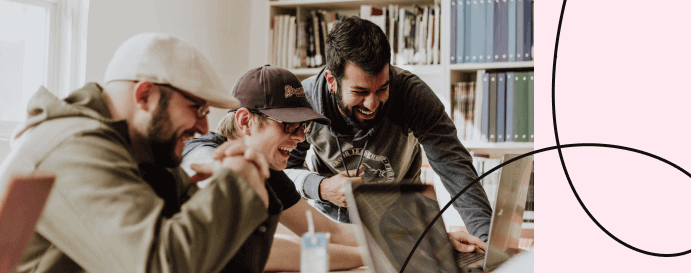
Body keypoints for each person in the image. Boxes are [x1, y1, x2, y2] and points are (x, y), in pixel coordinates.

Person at [0, 33, 281, 273]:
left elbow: (225, 264)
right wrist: (237, 183)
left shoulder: (146, 154)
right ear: (145, 95)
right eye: (196, 108)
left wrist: (251, 184)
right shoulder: (73, 148)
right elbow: (160, 265)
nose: (204, 126)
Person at [284, 16, 494, 243]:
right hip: (333, 231)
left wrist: (486, 241)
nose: (372, 104)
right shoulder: (305, 102)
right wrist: (321, 187)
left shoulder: (412, 95)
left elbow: (454, 166)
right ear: (331, 80)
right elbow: (284, 171)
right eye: (360, 92)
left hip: (403, 228)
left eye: (382, 89)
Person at [181, 65, 364, 272]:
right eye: (289, 124)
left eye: (302, 126)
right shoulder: (199, 153)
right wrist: (367, 256)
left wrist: (397, 242)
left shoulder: (267, 169)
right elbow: (250, 248)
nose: (301, 137)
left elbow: (329, 231)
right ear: (245, 121)